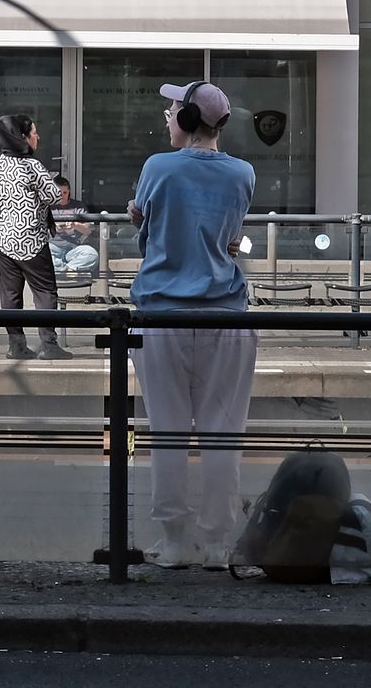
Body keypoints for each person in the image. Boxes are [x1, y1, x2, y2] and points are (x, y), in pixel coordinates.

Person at [127, 80, 256, 573]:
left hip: (162, 315)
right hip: (226, 315)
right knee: (224, 431)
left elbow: (150, 236)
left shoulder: (157, 167)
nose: (166, 117)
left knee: (167, 430)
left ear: (186, 120)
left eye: (172, 110)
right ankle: (217, 543)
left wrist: (139, 218)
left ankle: (175, 540)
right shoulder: (243, 173)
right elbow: (228, 240)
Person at [0, 114, 72, 361]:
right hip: (30, 239)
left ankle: (16, 346)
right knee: (45, 291)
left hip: (2, 238)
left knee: (10, 294)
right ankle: (49, 345)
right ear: (22, 137)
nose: (38, 137)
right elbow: (54, 196)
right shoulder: (31, 165)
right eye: (34, 133)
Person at [50, 177, 98, 274]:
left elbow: (88, 230)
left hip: (74, 247)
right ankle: (68, 270)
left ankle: (65, 270)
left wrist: (75, 225)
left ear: (69, 192)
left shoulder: (78, 206)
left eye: (64, 193)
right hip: (53, 247)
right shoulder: (47, 207)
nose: (62, 196)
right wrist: (55, 228)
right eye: (59, 193)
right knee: (41, 255)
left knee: (92, 254)